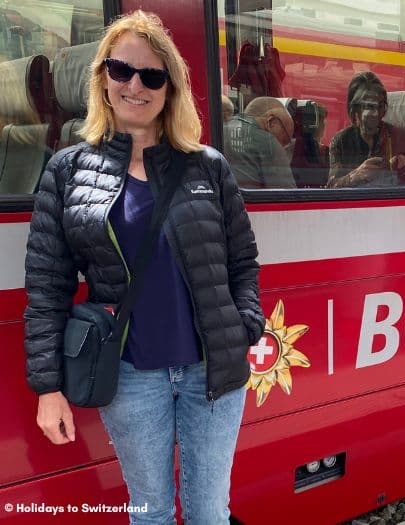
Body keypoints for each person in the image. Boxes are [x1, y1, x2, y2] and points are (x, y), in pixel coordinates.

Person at [24, 10, 265, 524]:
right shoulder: (67, 171)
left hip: (213, 375)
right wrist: (48, 387)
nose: (136, 85)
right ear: (102, 78)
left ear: (170, 87)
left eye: (152, 75)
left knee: (208, 514)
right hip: (132, 378)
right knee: (151, 513)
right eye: (122, 70)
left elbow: (243, 260)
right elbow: (47, 286)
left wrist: (245, 326)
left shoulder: (207, 166)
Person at [327, 71, 405, 188]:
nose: (374, 114)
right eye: (367, 106)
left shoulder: (400, 137)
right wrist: (356, 175)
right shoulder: (340, 141)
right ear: (355, 110)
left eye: (379, 106)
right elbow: (331, 187)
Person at [223, 96, 295, 188]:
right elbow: (287, 195)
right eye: (285, 140)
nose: (283, 148)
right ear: (271, 122)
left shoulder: (220, 130)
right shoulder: (268, 143)